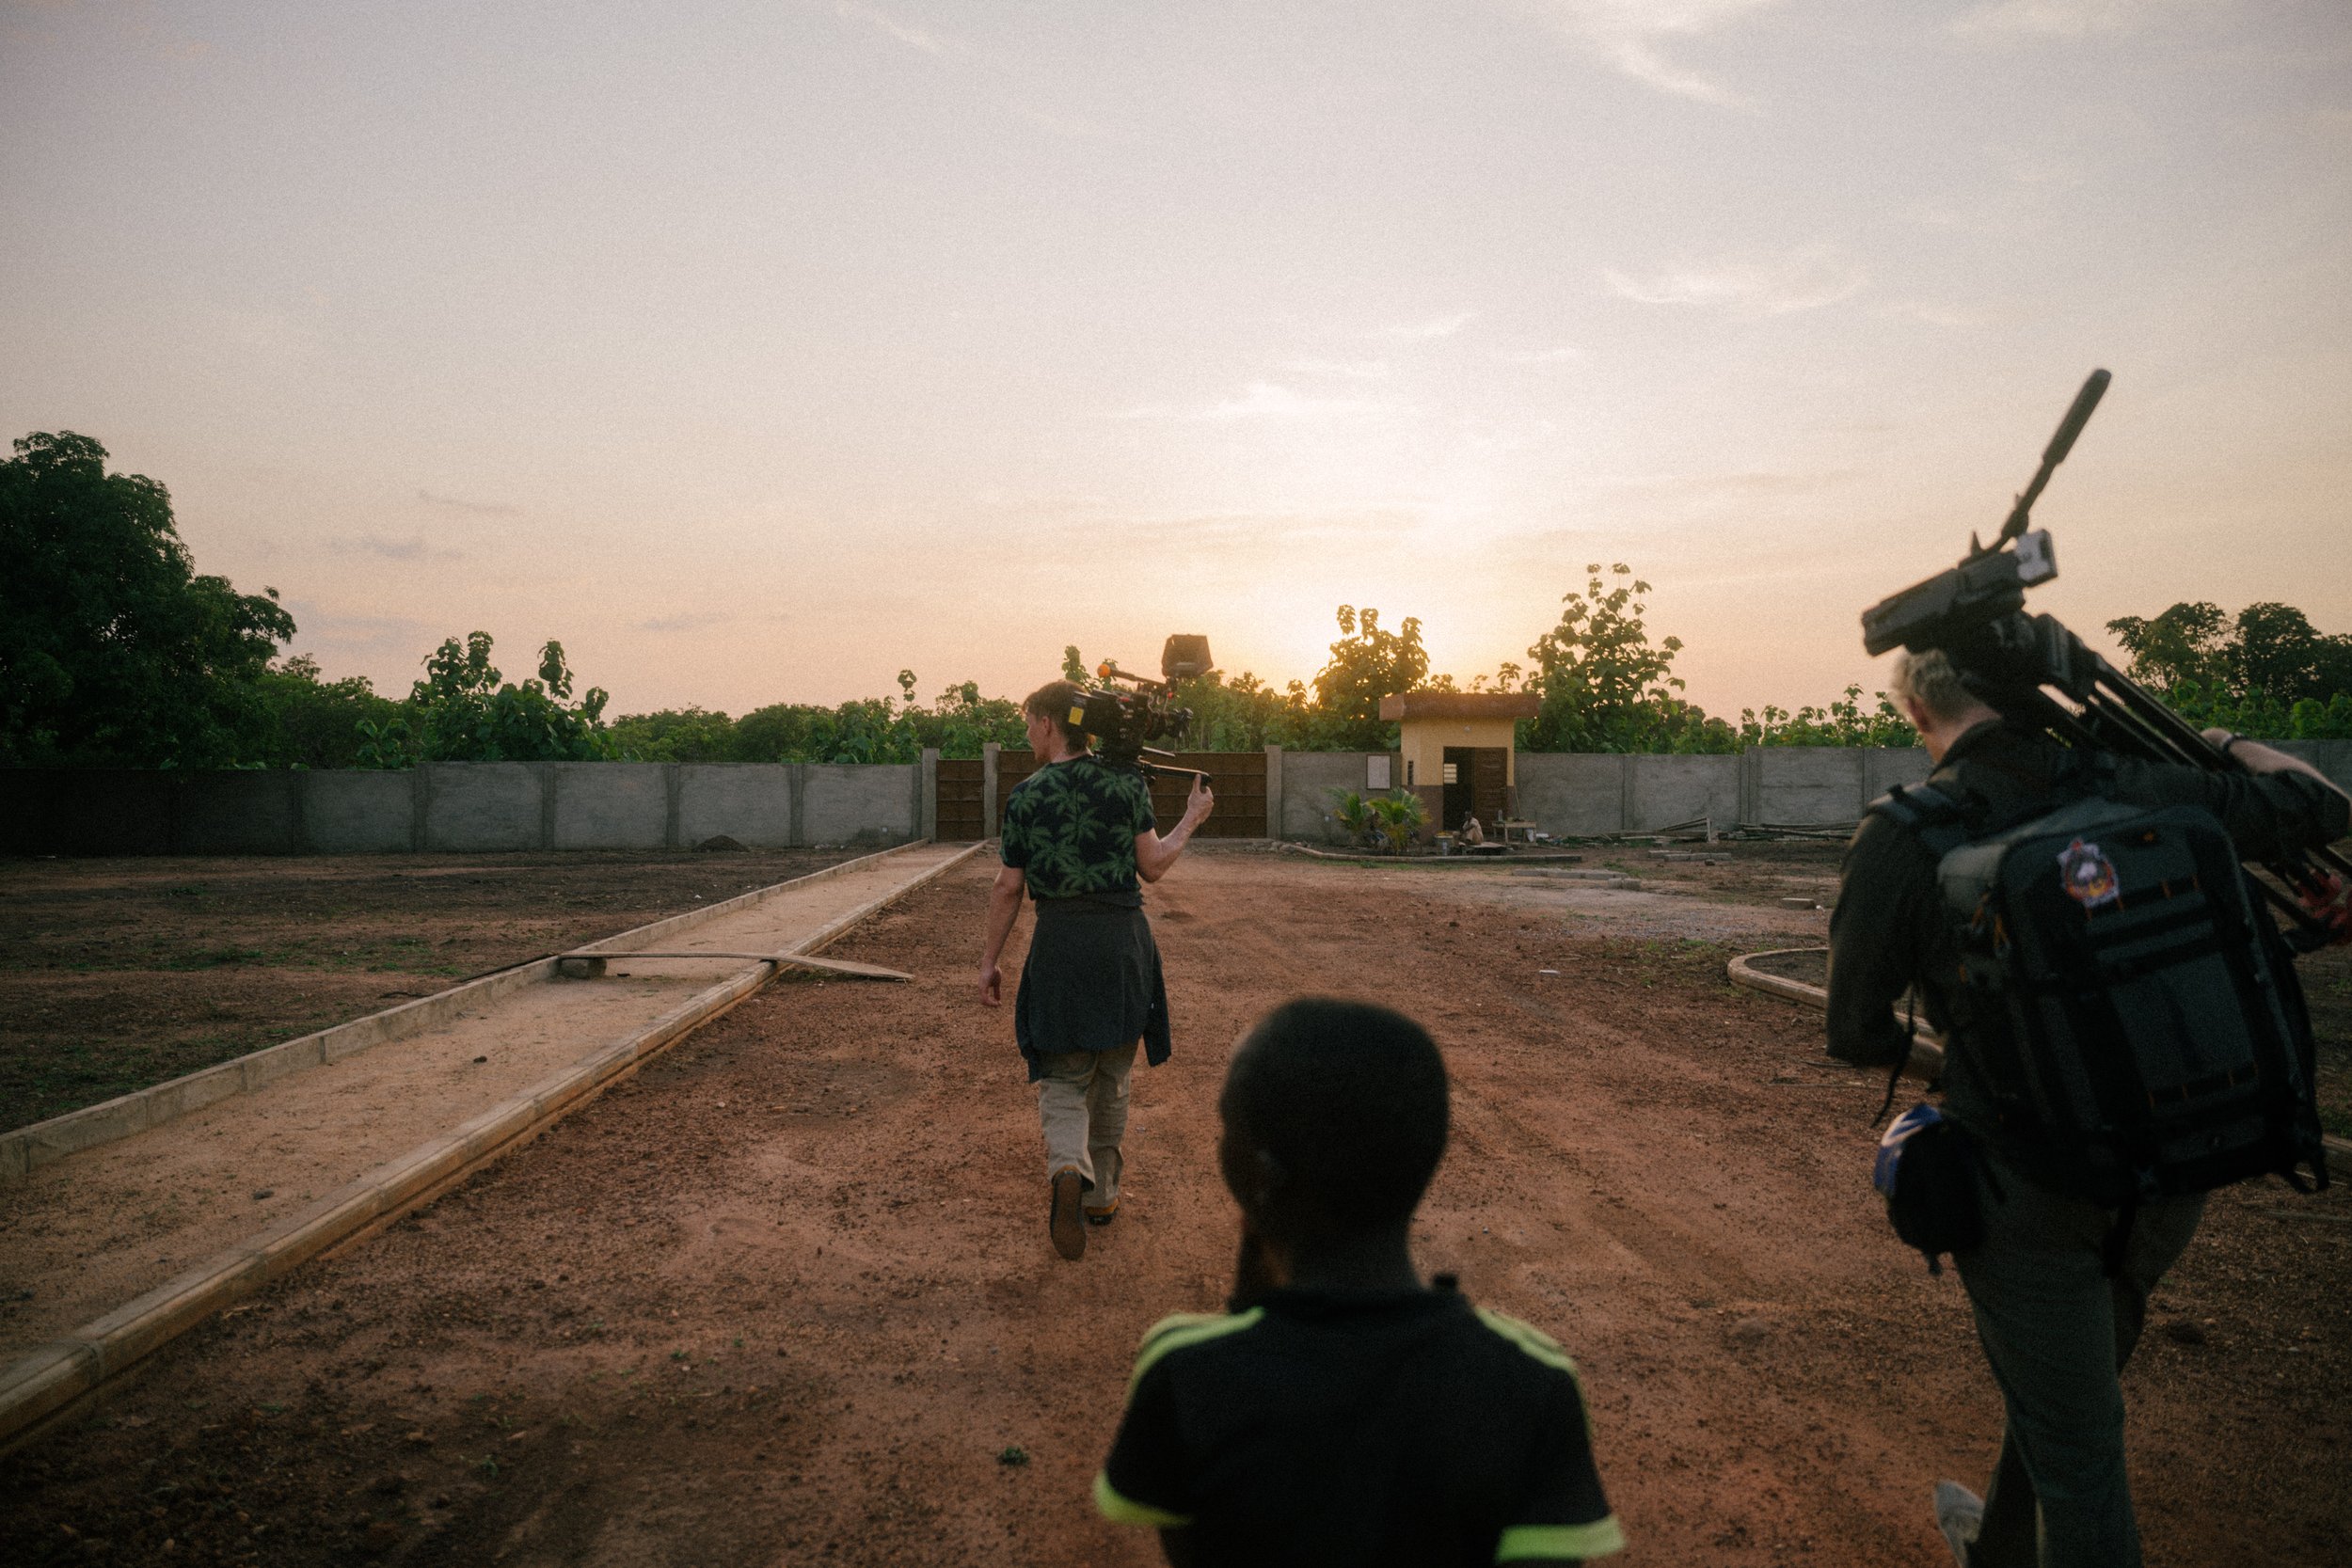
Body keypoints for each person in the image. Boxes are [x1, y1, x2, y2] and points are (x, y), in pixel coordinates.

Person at [1828, 647, 2348, 1568]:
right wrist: (2221, 741)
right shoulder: (2147, 782)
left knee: (2078, 1457)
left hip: (2028, 1182)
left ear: (1914, 706)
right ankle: (1994, 1544)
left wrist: (1967, 1062)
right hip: (2179, 1162)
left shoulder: (1903, 834)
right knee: (2065, 1392)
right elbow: (2323, 802)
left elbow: (1857, 1030)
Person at [1095, 998, 1626, 1567]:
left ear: (1256, 1175)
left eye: (1228, 1129)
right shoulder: (1531, 1380)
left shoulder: (1188, 1372)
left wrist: (1257, 1251)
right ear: (1427, 1156)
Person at [978, 679, 1213, 1261]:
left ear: (1050, 724)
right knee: (1113, 1071)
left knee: (1063, 1072)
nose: (1027, 733)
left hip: (1059, 943)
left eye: (1029, 721)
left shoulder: (1026, 796)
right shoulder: (1126, 784)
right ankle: (1102, 1198)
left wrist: (989, 962)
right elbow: (1153, 866)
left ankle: (1066, 1167)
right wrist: (1191, 818)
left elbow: (1009, 888)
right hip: (1122, 945)